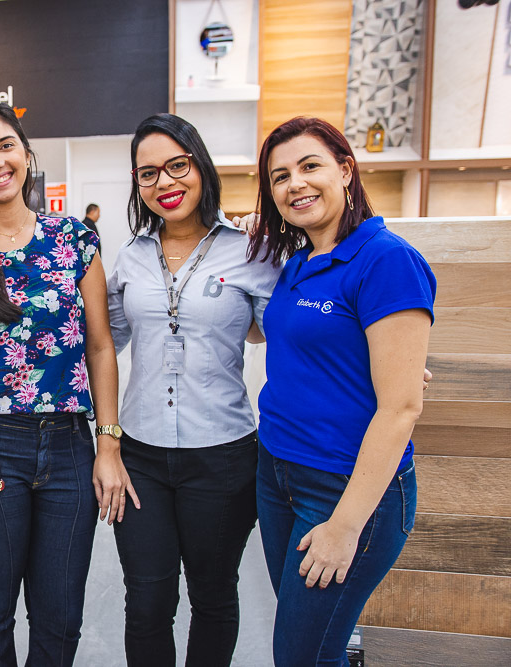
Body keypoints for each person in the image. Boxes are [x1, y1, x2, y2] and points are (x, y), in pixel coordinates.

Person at [0, 99, 132, 666]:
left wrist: (108, 444)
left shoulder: (75, 240)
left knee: (61, 619)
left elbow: (100, 347)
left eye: (5, 146)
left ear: (27, 155)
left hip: (68, 447)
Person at [248, 117, 434, 666]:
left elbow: (401, 408)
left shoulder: (386, 258)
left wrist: (346, 525)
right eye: (280, 176)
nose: (295, 184)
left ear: (346, 170)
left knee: (302, 655)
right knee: (311, 644)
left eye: (310, 166)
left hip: (343, 489)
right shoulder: (298, 262)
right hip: (277, 470)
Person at [107, 113, 281, 667]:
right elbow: (99, 342)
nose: (165, 182)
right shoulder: (131, 256)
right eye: (148, 173)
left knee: (213, 595)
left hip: (223, 456)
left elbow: (292, 333)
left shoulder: (251, 249)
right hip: (140, 458)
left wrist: (372, 363)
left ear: (200, 166)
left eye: (177, 165)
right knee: (147, 602)